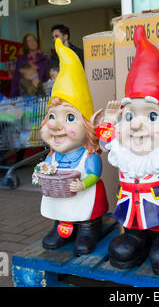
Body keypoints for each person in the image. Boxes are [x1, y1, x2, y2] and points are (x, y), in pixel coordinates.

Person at [102, 26, 159, 277]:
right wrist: (107, 122)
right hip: (131, 207)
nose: (137, 125)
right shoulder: (122, 150)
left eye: (151, 115)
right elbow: (106, 143)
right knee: (125, 244)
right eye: (129, 116)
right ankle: (135, 239)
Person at [38, 38, 108, 256]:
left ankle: (88, 230)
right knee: (62, 212)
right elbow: (46, 169)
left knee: (85, 214)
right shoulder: (54, 156)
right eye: (51, 116)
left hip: (84, 196)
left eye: (69, 117)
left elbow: (94, 175)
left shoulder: (89, 155)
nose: (55, 125)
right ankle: (62, 229)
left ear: (87, 125)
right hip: (61, 199)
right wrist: (42, 173)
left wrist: (84, 183)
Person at [10, 33, 49, 98]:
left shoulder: (45, 59)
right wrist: (12, 98)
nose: (32, 42)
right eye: (29, 41)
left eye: (34, 40)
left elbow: (48, 78)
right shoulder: (21, 60)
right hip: (25, 96)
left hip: (41, 95)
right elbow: (15, 80)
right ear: (26, 45)